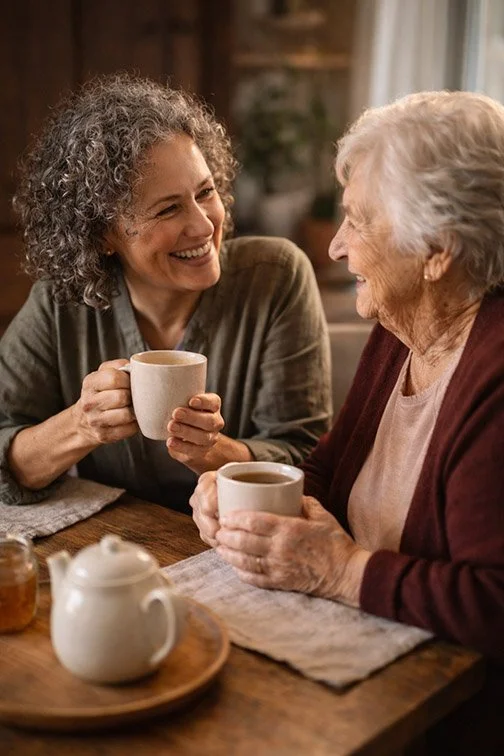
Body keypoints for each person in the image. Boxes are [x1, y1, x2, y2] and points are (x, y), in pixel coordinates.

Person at [190, 91, 504, 753]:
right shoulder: (403, 326)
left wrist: (342, 571)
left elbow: (493, 600)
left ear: (438, 249)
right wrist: (243, 486)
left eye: (357, 221)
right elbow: (331, 473)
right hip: (352, 666)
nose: (334, 246)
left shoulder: (494, 375)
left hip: (444, 717)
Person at [0, 73, 331, 512]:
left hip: (238, 546)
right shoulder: (61, 302)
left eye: (205, 192)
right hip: (114, 547)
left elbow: (307, 463)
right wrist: (81, 426)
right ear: (102, 235)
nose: (204, 224)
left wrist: (211, 452)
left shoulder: (275, 277)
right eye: (169, 208)